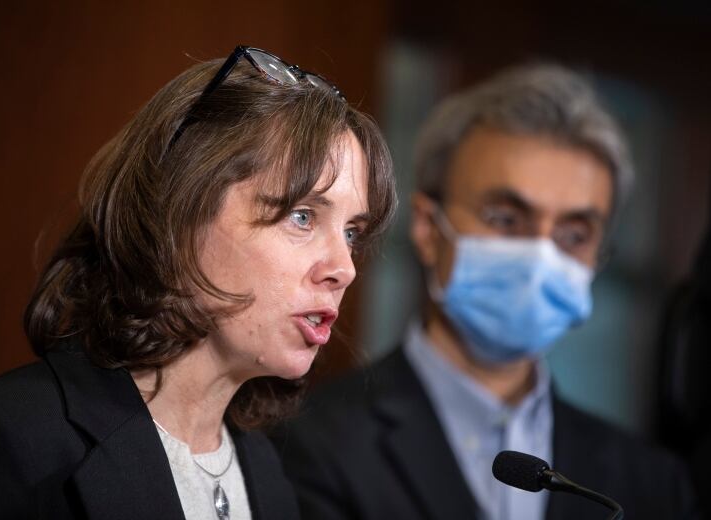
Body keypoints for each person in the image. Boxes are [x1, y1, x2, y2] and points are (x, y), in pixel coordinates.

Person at [0, 46, 396, 520]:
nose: (345, 268)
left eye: (352, 233)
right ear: (179, 212)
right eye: (302, 216)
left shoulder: (268, 473)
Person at [271, 64, 699, 519]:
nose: (540, 258)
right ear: (427, 228)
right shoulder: (305, 442)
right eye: (506, 219)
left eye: (574, 234)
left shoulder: (652, 483)